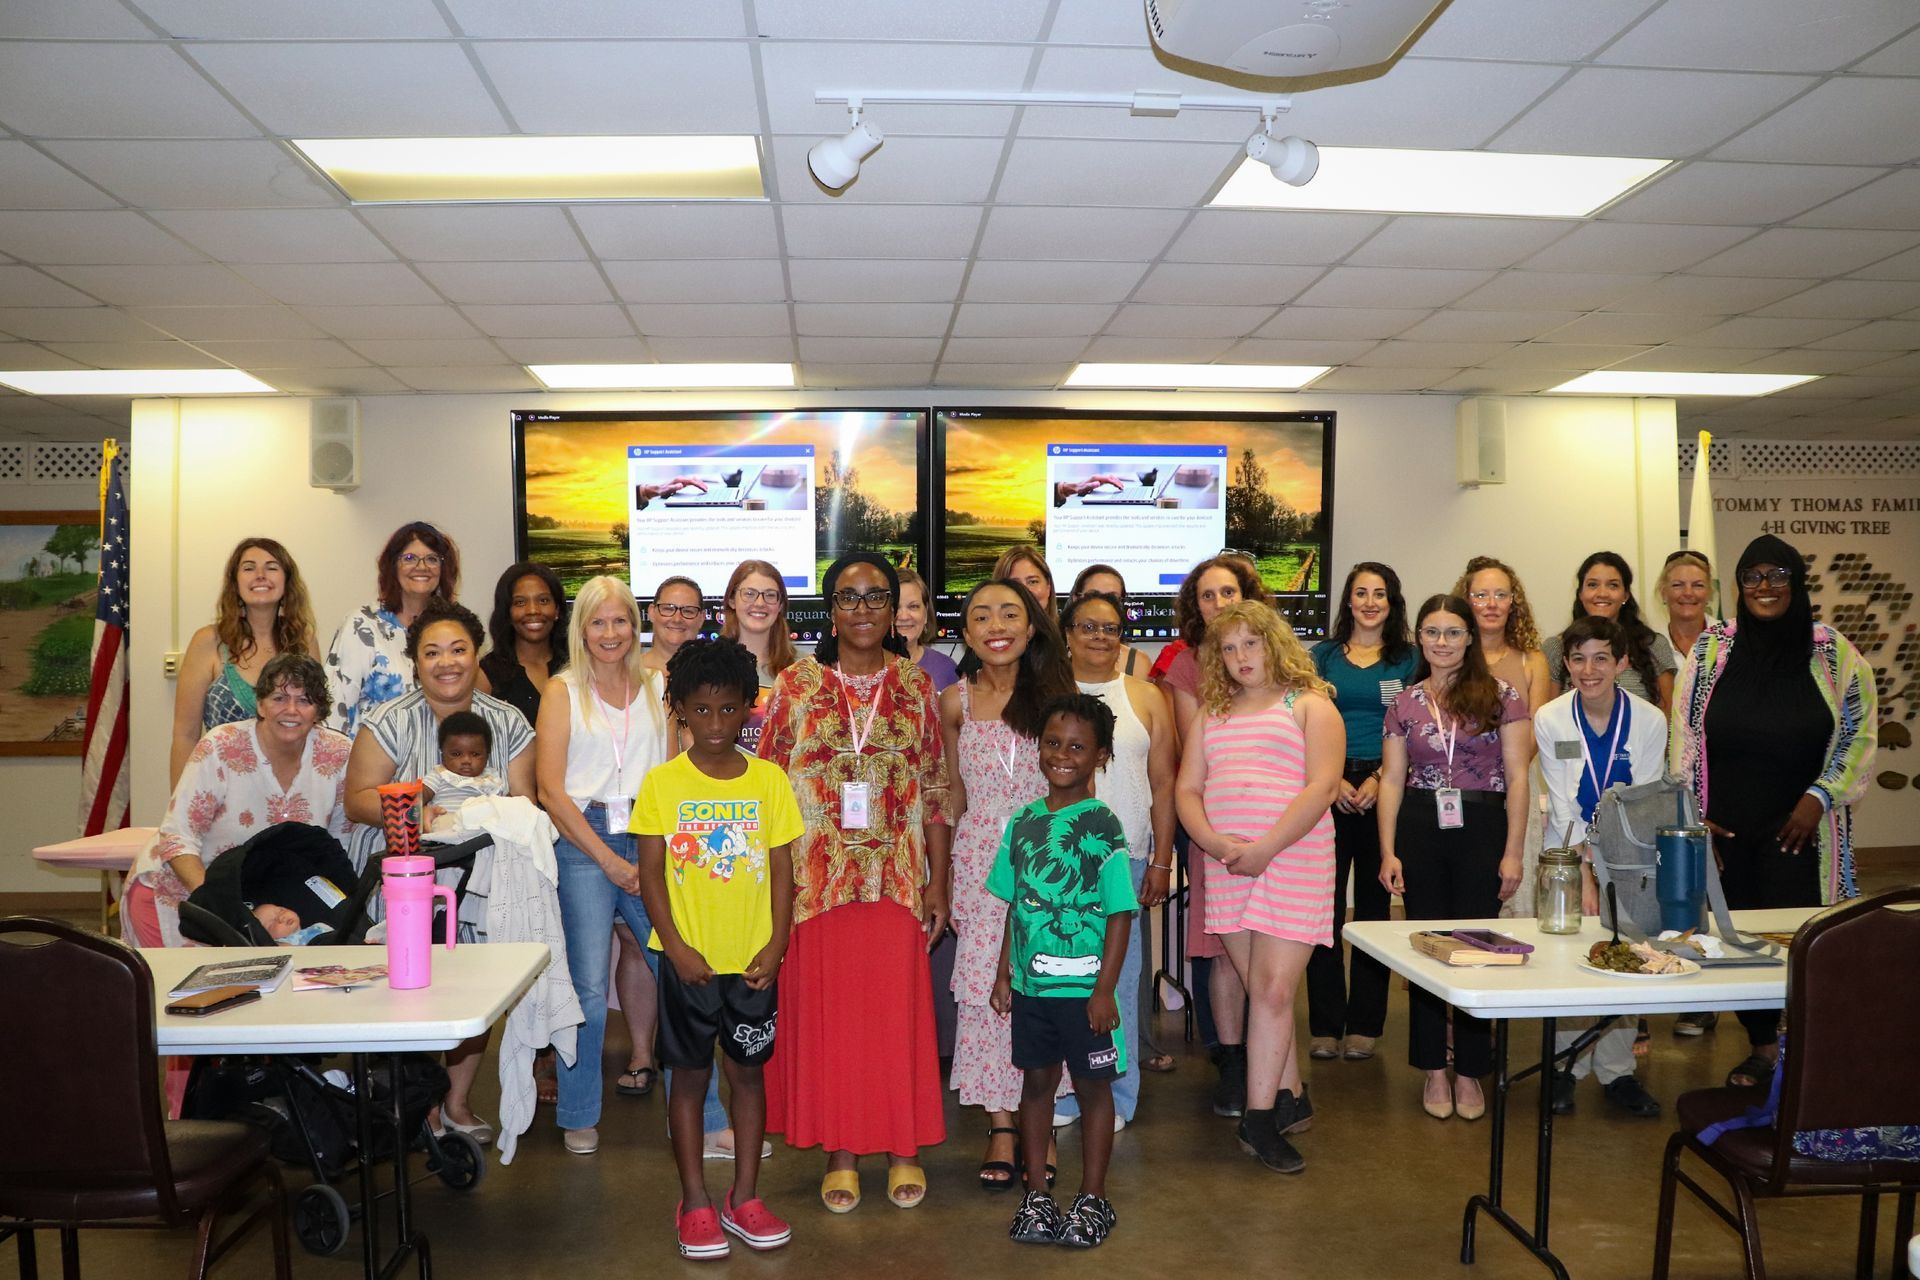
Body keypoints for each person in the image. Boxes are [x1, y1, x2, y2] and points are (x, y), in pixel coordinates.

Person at [757, 553, 950, 1213]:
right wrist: (774, 891)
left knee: (894, 1020)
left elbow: (935, 791)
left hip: (897, 880)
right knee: (836, 1023)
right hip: (818, 886)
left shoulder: (917, 687)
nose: (863, 609)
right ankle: (840, 1153)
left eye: (876, 597)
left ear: (895, 610)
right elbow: (768, 793)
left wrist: (938, 883)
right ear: (829, 610)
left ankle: (903, 1147)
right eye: (849, 597)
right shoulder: (794, 686)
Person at [1671, 534, 1876, 1090]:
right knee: (1739, 944)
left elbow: (1860, 731)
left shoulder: (1832, 652)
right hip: (1727, 832)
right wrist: (1696, 816)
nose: (1765, 586)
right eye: (1753, 576)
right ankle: (1763, 1047)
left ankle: (1805, 1050)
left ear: (1796, 583)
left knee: (1803, 939)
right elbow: (1686, 737)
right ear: (1737, 586)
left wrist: (1819, 798)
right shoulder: (1712, 650)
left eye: (1778, 575)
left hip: (1803, 834)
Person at [343, 598, 535, 1145]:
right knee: (410, 991)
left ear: (477, 656)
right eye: (432, 652)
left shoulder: (508, 723)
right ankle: (416, 1097)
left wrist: (480, 813)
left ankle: (454, 1100)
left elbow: (527, 801)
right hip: (402, 886)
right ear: (415, 660)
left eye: (458, 650)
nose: (446, 662)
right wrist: (414, 812)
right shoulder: (388, 720)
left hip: (483, 882)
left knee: (475, 989)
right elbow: (356, 799)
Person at [635, 638, 802, 1260]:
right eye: (700, 711)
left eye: (728, 710)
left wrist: (777, 943)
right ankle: (696, 1200)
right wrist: (676, 949)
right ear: (678, 709)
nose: (714, 724)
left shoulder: (769, 781)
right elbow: (650, 875)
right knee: (689, 1078)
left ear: (748, 709)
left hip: (753, 963)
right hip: (689, 965)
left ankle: (745, 1198)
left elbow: (783, 869)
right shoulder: (662, 784)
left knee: (749, 1076)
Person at [1175, 600, 1342, 1174]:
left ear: (1274, 643)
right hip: (1229, 867)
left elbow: (1321, 788)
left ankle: (1259, 1119)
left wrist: (1266, 847)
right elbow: (1188, 790)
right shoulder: (1211, 714)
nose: (1241, 657)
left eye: (1251, 643)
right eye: (1229, 648)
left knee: (1272, 993)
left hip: (1291, 861)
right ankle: (1290, 1097)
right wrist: (1215, 844)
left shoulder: (1311, 706)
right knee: (1261, 992)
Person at [1376, 595, 1531, 1123]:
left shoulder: (1502, 695)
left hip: (1483, 828)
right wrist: (1388, 851)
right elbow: (1392, 780)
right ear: (1419, 639)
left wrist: (1513, 853)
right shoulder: (1404, 702)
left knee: (1476, 948)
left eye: (1453, 632)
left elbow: (1519, 777)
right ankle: (1432, 1068)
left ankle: (1470, 1070)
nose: (1442, 642)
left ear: (1470, 638)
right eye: (1432, 632)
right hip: (1421, 828)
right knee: (1427, 948)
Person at [941, 578, 1073, 1189]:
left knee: (1040, 992)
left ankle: (1038, 1124)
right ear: (966, 633)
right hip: (977, 869)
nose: (997, 625)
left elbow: (1078, 796)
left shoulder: (1056, 698)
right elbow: (951, 796)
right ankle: (999, 1123)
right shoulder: (953, 702)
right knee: (981, 993)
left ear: (1031, 626)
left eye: (1010, 614)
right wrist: (939, 879)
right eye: (981, 616)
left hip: (1046, 866)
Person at [534, 575, 671, 1156]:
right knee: (587, 986)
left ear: (634, 625)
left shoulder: (658, 685)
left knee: (681, 976)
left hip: (650, 831)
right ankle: (578, 1111)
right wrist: (610, 862)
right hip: (583, 839)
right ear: (581, 629)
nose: (610, 633)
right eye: (598, 622)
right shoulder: (562, 691)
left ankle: (709, 1115)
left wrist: (650, 851)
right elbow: (550, 790)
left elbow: (670, 772)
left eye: (620, 621)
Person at [994, 694, 1137, 1248]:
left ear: (1099, 755)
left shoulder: (1103, 825)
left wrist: (1104, 992)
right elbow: (1017, 904)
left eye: (1077, 747)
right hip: (1033, 990)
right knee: (1036, 1085)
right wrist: (1003, 973)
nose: (1062, 755)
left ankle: (1094, 1198)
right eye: (1053, 744)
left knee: (1094, 1088)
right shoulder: (1024, 822)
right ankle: (1037, 1197)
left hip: (1086, 997)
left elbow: (1121, 913)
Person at [1534, 617, 1667, 1118]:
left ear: (1622, 663)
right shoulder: (1550, 718)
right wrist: (1585, 870)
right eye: (1579, 659)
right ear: (1566, 664)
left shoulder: (1651, 720)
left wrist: (1612, 861)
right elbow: (1563, 802)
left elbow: (1644, 796)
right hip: (1568, 853)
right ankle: (1565, 1066)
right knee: (1569, 958)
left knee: (1627, 956)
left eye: (1601, 658)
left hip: (1630, 852)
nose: (1589, 670)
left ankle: (1617, 1072)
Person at [128, 653, 351, 949]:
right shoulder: (221, 746)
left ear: (319, 710)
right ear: (259, 704)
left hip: (259, 906)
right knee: (181, 992)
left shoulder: (338, 754)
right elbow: (177, 836)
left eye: (305, 700)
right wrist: (220, 907)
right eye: (279, 698)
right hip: (178, 893)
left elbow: (335, 844)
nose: (291, 710)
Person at [1056, 589, 1179, 1118]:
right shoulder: (1046, 693)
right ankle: (1064, 1091)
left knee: (1119, 981)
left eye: (1110, 627)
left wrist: (1160, 859)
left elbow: (1164, 781)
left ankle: (1117, 1095)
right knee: (1062, 978)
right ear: (1067, 634)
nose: (1101, 637)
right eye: (1088, 626)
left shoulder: (1146, 696)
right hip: (1057, 862)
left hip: (1123, 859)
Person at [1159, 552, 1273, 1117]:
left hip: (1279, 829)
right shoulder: (1186, 665)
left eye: (1228, 592)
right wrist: (1210, 832)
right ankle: (1231, 1061)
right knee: (1223, 950)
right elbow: (1191, 753)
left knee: (1273, 945)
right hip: (1213, 822)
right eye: (1207, 596)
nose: (1218, 604)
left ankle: (1271, 1061)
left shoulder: (1278, 662)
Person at [1306, 563, 1417, 1063]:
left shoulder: (1409, 660)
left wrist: (1377, 778)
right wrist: (1332, 784)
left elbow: (1417, 730)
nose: (1370, 602)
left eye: (1380, 594)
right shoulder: (1322, 658)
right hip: (1327, 788)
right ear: (1347, 602)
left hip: (1387, 787)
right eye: (1360, 593)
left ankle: (1366, 1023)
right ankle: (1325, 1024)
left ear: (1392, 603)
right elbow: (1303, 723)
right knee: (1322, 912)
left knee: (1374, 911)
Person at [170, 537, 318, 789]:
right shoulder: (209, 642)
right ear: (235, 582)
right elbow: (185, 735)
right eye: (249, 568)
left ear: (287, 581)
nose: (260, 575)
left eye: (272, 567)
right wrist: (180, 807)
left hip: (290, 791)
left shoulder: (303, 642)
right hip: (221, 791)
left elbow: (315, 725)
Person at [1452, 555, 1553, 924]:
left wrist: (1502, 784)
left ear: (1515, 602)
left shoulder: (1533, 661)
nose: (1491, 604)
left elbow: (1536, 731)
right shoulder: (1451, 656)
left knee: (1514, 898)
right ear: (1466, 601)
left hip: (1514, 792)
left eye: (1501, 594)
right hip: (1458, 795)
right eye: (1481, 595)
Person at [326, 521, 460, 738]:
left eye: (432, 559)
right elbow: (335, 708)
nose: (422, 566)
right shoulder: (362, 625)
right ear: (392, 566)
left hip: (437, 764)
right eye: (409, 558)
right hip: (371, 763)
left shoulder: (454, 628)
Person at [1542, 551, 1677, 714]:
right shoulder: (1556, 648)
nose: (1602, 593)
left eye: (1613, 585)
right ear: (1581, 594)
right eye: (1592, 585)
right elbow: (1548, 718)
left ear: (1625, 595)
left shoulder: (1653, 645)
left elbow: (1666, 720)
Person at [719, 560, 796, 753]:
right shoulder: (708, 665)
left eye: (770, 595)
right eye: (749, 594)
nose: (760, 603)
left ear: (780, 605)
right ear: (731, 600)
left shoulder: (805, 668)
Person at [476, 562, 566, 727]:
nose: (533, 610)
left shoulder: (576, 665)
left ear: (557, 610)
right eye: (520, 603)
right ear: (507, 612)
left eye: (543, 600)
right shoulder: (487, 675)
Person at [421, 709, 507, 831]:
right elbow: (419, 796)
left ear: (487, 755)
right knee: (441, 823)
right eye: (456, 754)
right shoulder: (440, 774)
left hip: (479, 830)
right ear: (443, 754)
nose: (466, 760)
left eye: (475, 754)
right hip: (447, 824)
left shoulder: (491, 778)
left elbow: (504, 806)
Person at [1068, 564, 1150, 677]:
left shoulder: (1137, 663)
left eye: (1112, 598)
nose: (1102, 605)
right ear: (1076, 599)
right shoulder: (1051, 658)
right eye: (1093, 595)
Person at [895, 567, 959, 693]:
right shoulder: (863, 669)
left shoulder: (946, 668)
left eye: (913, 606)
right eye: (895, 607)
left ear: (925, 614)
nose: (903, 616)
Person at [1657, 549, 1714, 677]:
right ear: (1663, 593)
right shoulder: (1649, 646)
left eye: (1698, 585)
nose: (1688, 593)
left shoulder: (1731, 639)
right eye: (1678, 585)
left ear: (1709, 593)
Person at [993, 545, 1056, 617]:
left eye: (1033, 582)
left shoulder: (1067, 627)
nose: (1025, 591)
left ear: (1048, 587)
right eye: (1015, 584)